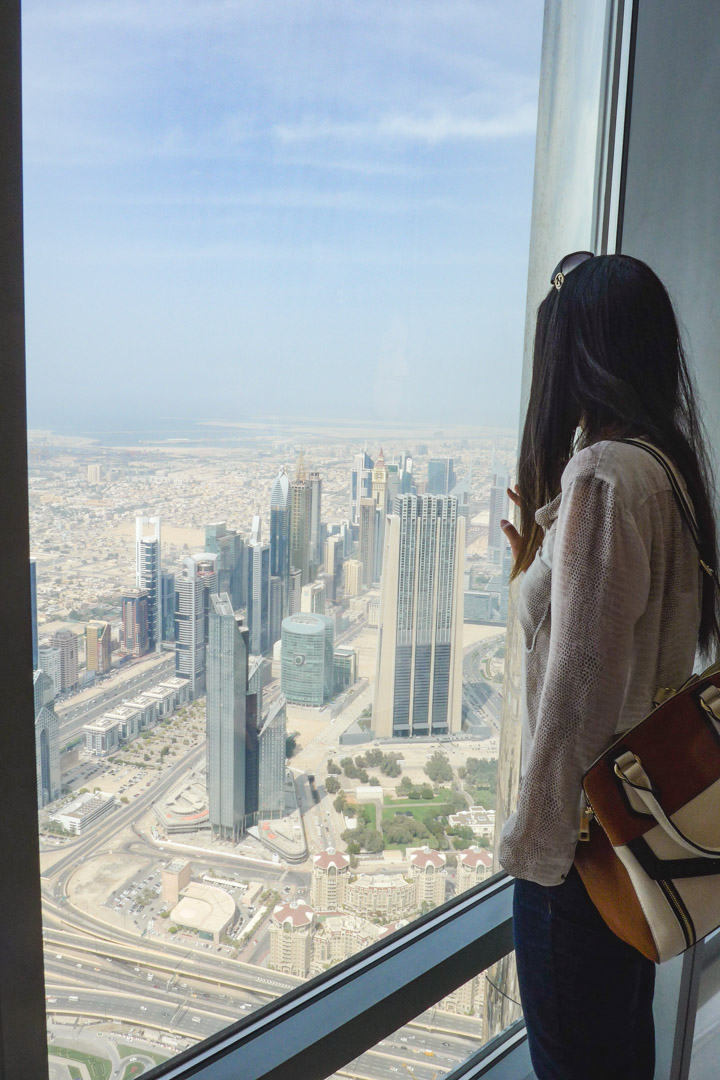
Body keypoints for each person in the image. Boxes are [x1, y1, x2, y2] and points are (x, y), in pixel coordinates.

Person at [497, 252, 720, 1080]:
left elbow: (580, 688)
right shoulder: (668, 468)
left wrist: (533, 847)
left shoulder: (601, 476)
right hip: (639, 834)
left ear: (575, 353)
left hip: (578, 853)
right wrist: (541, 567)